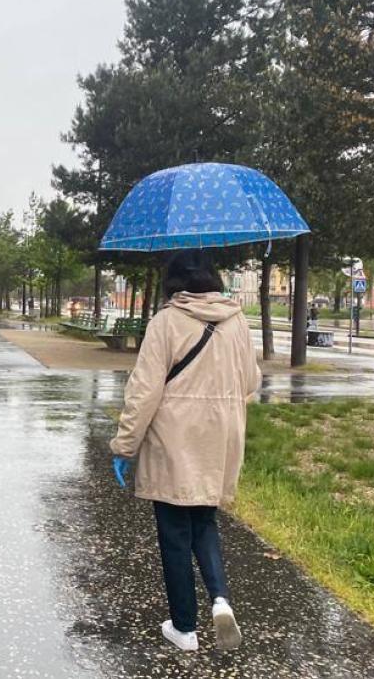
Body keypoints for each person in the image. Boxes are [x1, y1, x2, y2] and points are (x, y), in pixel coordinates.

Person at [110, 249, 261, 653]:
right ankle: (220, 599)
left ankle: (184, 628)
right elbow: (251, 381)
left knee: (175, 533)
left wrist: (125, 445)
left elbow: (144, 393)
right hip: (219, 439)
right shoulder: (237, 322)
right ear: (213, 279)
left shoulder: (165, 323)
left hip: (173, 440)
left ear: (172, 283)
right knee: (205, 522)